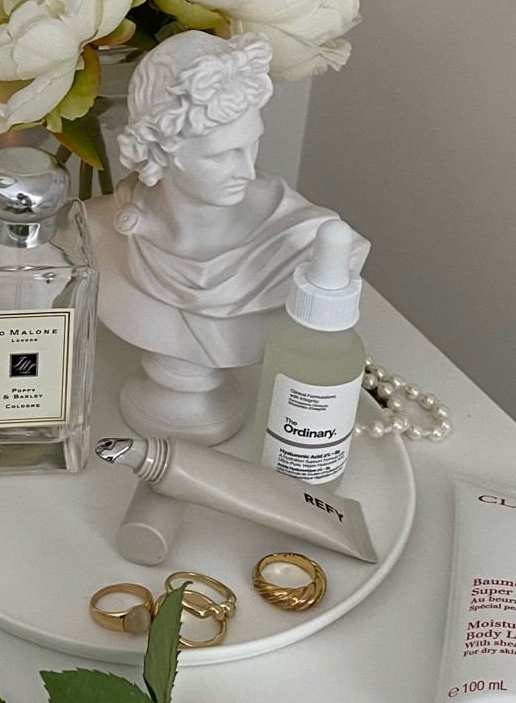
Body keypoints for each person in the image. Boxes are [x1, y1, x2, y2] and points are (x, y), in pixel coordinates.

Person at [87, 30, 368, 439]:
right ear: (161, 152)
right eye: (221, 155)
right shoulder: (96, 231)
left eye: (252, 145)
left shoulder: (306, 244)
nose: (248, 171)